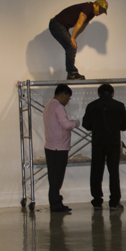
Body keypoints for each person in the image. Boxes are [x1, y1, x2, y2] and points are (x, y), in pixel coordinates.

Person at [82, 83, 126, 211]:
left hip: (98, 142)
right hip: (113, 143)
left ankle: (97, 201)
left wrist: (96, 127)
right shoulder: (119, 105)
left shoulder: (92, 106)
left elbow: (86, 124)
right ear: (112, 94)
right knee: (114, 172)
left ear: (99, 94)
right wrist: (117, 126)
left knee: (96, 172)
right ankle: (114, 201)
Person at [49, 0, 107, 80]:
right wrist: (72, 38)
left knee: (71, 47)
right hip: (56, 24)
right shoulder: (89, 8)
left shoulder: (92, 13)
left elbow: (83, 26)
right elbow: (79, 22)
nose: (99, 13)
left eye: (101, 12)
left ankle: (72, 73)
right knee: (71, 47)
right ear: (95, 5)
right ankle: (72, 73)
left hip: (60, 25)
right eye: (99, 10)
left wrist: (74, 38)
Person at [42, 83, 78, 213]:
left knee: (53, 178)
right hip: (59, 147)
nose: (67, 101)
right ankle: (56, 204)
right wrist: (76, 123)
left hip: (50, 146)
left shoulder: (48, 106)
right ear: (63, 94)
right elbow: (66, 124)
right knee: (57, 178)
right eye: (68, 98)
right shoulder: (59, 107)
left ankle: (55, 202)